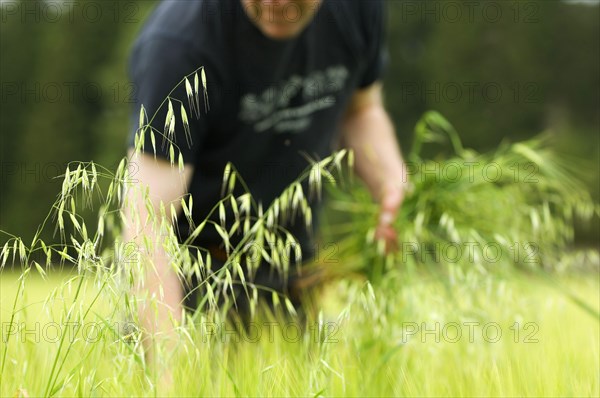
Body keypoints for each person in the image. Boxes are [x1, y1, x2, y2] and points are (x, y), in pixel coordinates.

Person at [123, 0, 408, 361]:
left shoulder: (358, 10)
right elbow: (146, 224)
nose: (277, 3)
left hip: (294, 269)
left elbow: (361, 107)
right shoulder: (179, 44)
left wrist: (392, 188)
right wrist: (169, 368)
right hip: (189, 282)